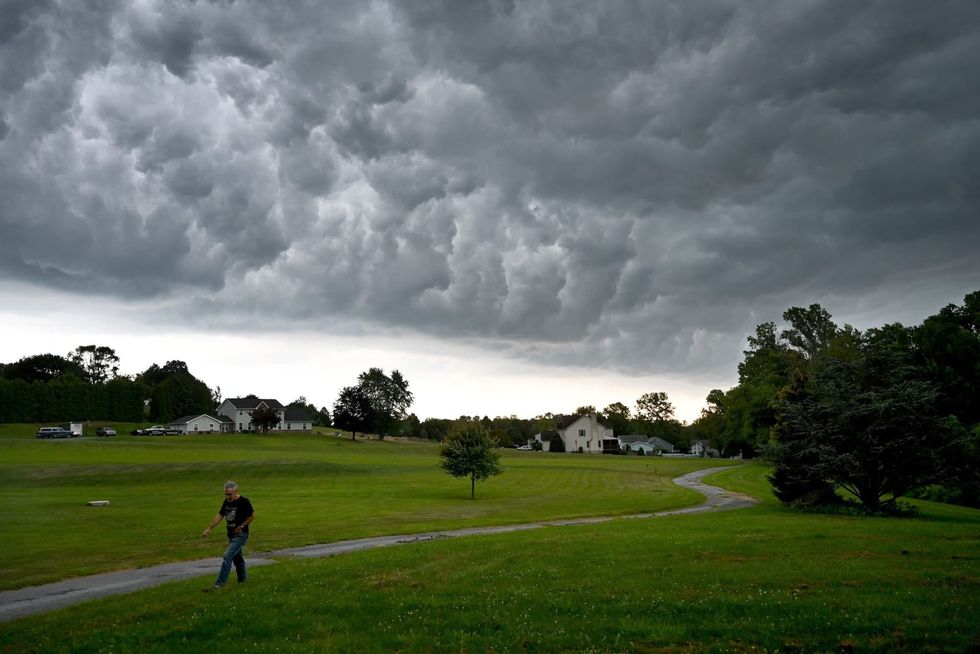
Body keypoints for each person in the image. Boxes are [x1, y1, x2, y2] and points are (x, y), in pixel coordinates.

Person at [201, 481, 255, 590]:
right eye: (226, 494)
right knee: (237, 558)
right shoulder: (226, 502)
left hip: (241, 535)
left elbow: (251, 516)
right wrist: (209, 528)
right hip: (231, 535)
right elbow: (220, 515)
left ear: (236, 491)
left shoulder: (244, 501)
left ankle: (219, 584)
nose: (227, 496)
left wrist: (241, 526)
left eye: (230, 494)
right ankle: (243, 580)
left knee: (227, 555)